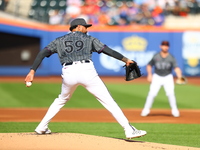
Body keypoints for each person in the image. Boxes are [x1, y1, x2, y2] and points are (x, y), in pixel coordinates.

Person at [25, 18, 147, 139]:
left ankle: (42, 126)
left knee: (61, 99)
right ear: (78, 27)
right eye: (85, 26)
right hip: (87, 71)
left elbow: (42, 53)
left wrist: (32, 71)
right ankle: (128, 129)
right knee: (109, 101)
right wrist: (126, 60)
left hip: (68, 72)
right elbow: (108, 51)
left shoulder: (59, 40)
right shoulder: (89, 39)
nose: (87, 29)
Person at [141, 41, 182, 117]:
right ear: (160, 46)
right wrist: (149, 75)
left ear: (168, 47)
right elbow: (149, 65)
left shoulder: (171, 57)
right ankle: (145, 110)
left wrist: (179, 76)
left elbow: (176, 68)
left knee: (170, 94)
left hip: (168, 77)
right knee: (152, 93)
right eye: (163, 45)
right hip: (157, 76)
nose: (165, 47)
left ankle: (175, 110)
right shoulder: (156, 56)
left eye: (166, 45)